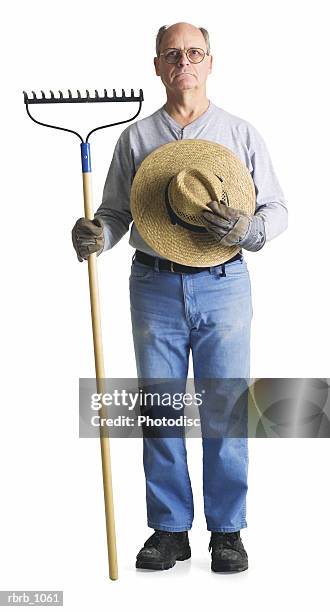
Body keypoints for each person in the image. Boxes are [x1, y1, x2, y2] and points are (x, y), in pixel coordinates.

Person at [72, 22, 288, 573]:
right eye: (173, 53)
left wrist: (246, 230)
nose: (184, 62)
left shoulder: (240, 133)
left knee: (226, 408)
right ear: (158, 66)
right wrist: (97, 232)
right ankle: (169, 530)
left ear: (210, 62)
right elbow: (117, 213)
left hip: (225, 285)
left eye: (194, 53)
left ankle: (227, 531)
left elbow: (277, 211)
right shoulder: (137, 139)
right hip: (153, 284)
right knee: (161, 408)